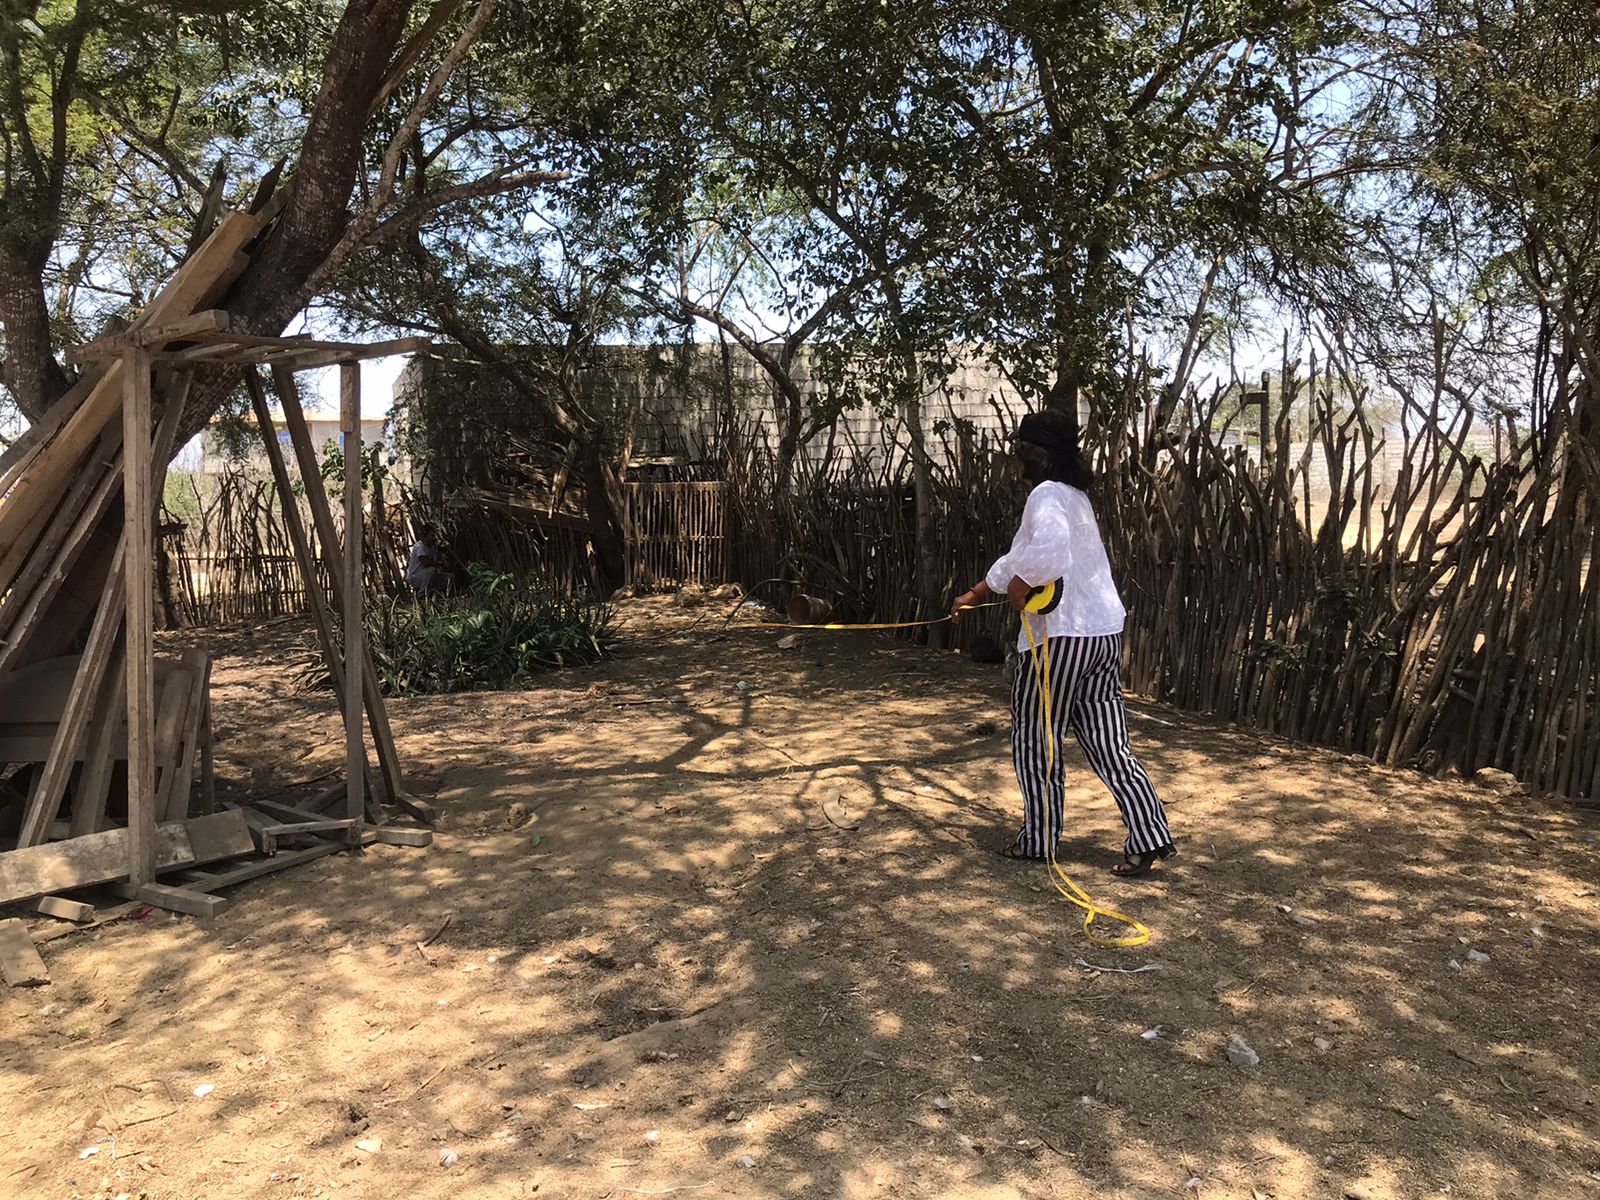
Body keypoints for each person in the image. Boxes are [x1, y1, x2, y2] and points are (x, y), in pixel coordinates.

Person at [950, 409, 1176, 877]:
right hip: (1102, 634)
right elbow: (1021, 553)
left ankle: (1039, 840)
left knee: (1037, 739)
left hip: (1059, 639)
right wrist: (979, 591)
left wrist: (1019, 586)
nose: (1014, 461)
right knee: (1109, 744)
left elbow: (1047, 552)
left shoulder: (1045, 494)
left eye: (1018, 452)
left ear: (1032, 456)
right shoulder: (1074, 497)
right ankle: (1149, 835)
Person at [406, 524, 459, 597]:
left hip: (428, 576)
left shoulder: (432, 547)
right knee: (431, 570)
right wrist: (440, 564)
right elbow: (425, 563)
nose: (434, 538)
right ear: (424, 536)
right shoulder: (419, 546)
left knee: (450, 577)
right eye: (432, 535)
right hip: (415, 578)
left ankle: (437, 594)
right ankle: (421, 595)